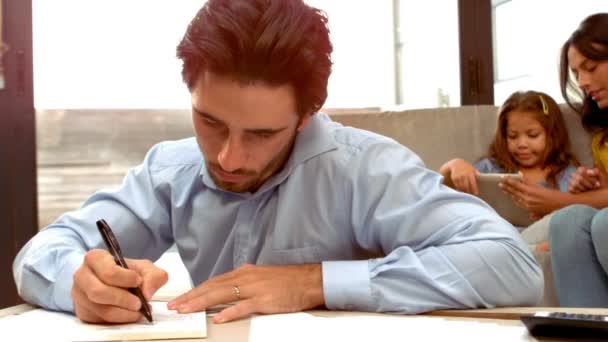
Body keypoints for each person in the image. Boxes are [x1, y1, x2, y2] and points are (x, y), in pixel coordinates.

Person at [13, 0, 542, 324]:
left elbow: (511, 264)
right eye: (210, 121)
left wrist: (314, 282)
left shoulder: (367, 169)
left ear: (308, 115)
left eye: (262, 133)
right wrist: (80, 285)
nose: (227, 157)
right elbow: (42, 253)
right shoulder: (170, 169)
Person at [544, 12, 608, 307]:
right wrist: (587, 190)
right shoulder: (602, 139)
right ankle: (586, 331)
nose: (582, 82)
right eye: (576, 73)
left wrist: (554, 199)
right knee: (567, 222)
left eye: (590, 67)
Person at [439, 90, 579, 219]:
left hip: (543, 240)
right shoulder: (490, 168)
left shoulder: (570, 177)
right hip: (496, 237)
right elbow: (439, 192)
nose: (522, 144)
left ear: (553, 135)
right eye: (512, 136)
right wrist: (454, 165)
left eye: (532, 135)